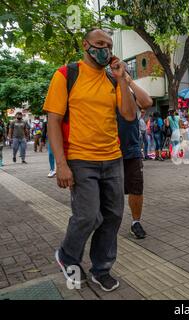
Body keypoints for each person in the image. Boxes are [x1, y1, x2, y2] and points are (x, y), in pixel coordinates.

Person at [44, 28, 137, 292]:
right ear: (86, 45)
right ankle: (68, 256)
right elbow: (53, 120)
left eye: (108, 45)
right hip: (80, 159)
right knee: (86, 216)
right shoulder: (66, 74)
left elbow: (129, 115)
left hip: (113, 158)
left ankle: (101, 268)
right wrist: (61, 164)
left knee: (113, 216)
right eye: (99, 43)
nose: (105, 49)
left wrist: (122, 80)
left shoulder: (111, 80)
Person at [118, 68, 153, 239]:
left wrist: (128, 80)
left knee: (136, 188)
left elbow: (147, 102)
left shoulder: (132, 94)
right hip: (107, 151)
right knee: (110, 191)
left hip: (131, 150)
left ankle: (135, 222)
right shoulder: (104, 92)